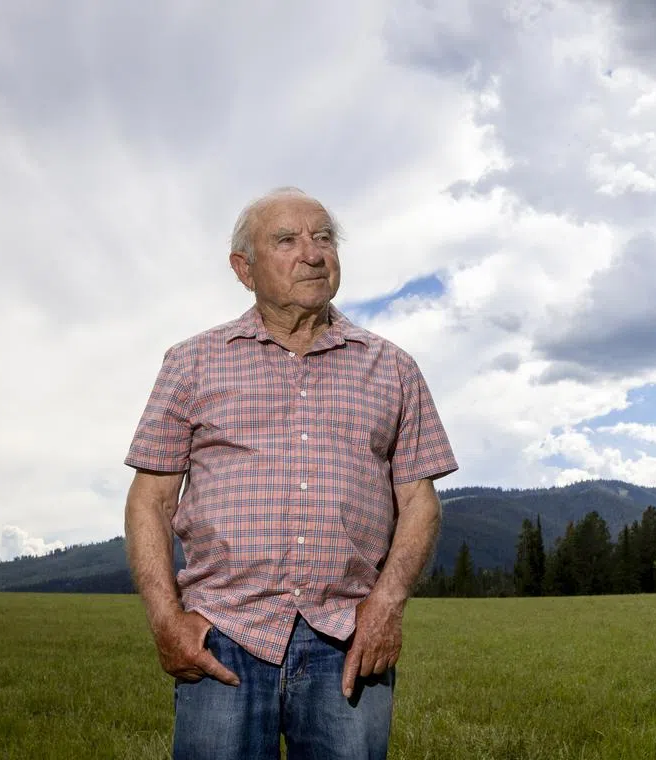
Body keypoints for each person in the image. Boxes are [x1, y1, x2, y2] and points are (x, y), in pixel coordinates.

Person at [124, 188, 458, 759]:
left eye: (324, 237)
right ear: (243, 268)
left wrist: (387, 605)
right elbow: (149, 501)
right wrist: (165, 621)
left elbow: (420, 501)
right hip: (223, 637)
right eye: (286, 240)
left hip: (349, 638)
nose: (312, 253)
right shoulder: (192, 361)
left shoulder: (393, 367)